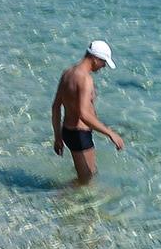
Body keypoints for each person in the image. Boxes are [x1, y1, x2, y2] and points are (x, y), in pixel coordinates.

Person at [52, 40, 124, 183]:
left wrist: (58, 137)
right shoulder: (85, 79)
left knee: (90, 175)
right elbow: (83, 114)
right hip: (79, 135)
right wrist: (110, 133)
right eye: (103, 62)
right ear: (95, 59)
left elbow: (55, 107)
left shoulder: (67, 73)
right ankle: (58, 195)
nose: (104, 66)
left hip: (68, 131)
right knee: (85, 181)